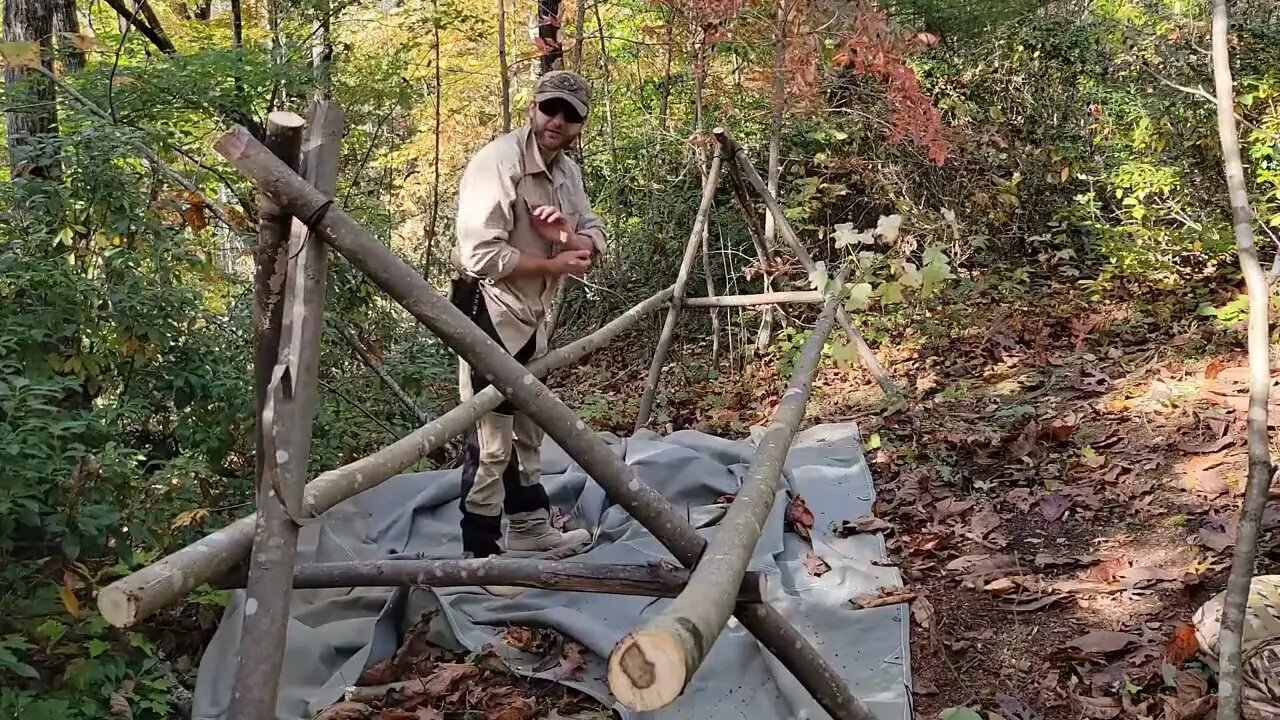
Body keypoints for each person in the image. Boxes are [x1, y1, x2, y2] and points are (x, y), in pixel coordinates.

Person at [448, 70, 604, 559]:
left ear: (580, 124)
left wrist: (568, 240)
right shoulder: (498, 163)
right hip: (489, 307)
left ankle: (530, 527)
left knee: (528, 426)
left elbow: (593, 234)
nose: (556, 121)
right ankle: (481, 555)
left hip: (535, 310)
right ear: (533, 106)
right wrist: (555, 261)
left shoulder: (566, 172)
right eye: (549, 108)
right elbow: (479, 255)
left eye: (570, 115)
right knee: (492, 436)